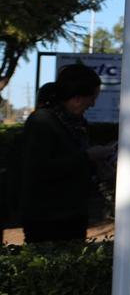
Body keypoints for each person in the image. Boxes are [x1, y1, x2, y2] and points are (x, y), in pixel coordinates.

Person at [19, 63, 114, 243]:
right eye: (92, 98)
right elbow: (40, 168)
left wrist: (100, 166)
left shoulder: (78, 124)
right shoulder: (42, 121)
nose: (92, 104)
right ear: (77, 97)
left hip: (74, 214)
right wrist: (88, 156)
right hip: (46, 217)